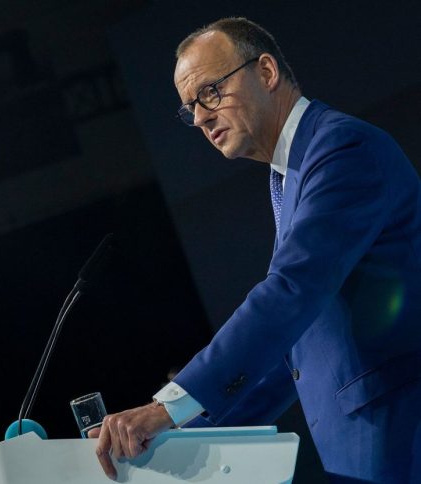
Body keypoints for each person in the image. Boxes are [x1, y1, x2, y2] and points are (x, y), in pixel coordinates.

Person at [90, 17, 421, 483]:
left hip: (401, 434)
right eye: (190, 108)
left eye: (210, 92)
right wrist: (173, 432)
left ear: (265, 71)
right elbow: (294, 352)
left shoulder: (342, 148)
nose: (201, 117)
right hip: (366, 447)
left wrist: (168, 407)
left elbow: (290, 293)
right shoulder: (290, 174)